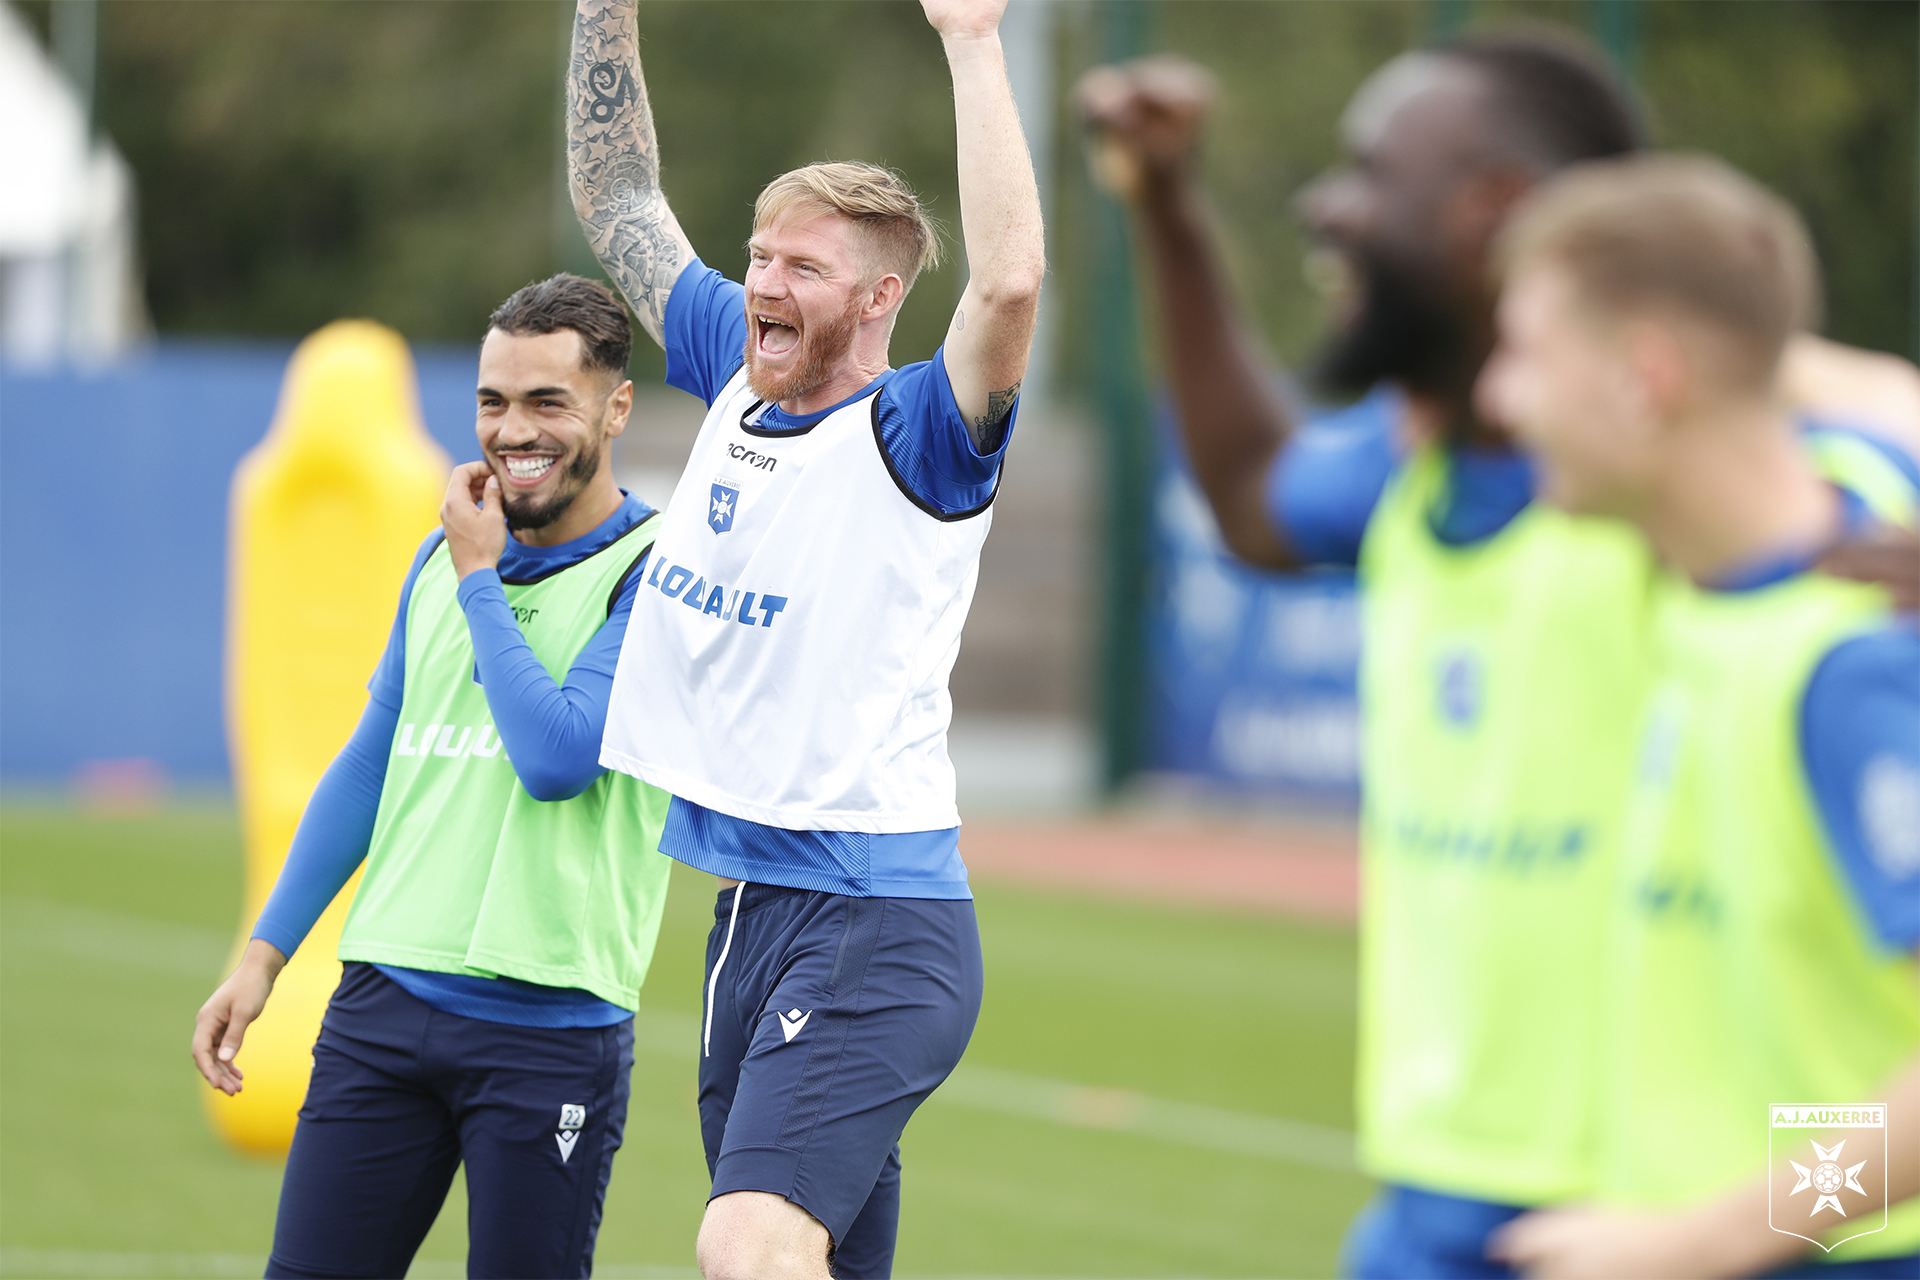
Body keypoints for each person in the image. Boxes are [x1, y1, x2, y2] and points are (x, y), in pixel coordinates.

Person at [1077, 32, 1920, 1279]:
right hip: (1535, 1203)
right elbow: (1262, 495)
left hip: (1753, 1228)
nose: (1511, 405)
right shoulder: (1469, 491)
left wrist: (1737, 1226)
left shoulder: (1816, 607)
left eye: (1535, 356)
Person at [565, 1, 1043, 1276]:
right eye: (758, 255)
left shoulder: (918, 433)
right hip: (753, 903)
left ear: (882, 296)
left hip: (876, 913)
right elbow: (616, 192)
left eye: (804, 266)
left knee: (747, 1246)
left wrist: (973, 38)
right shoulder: (732, 359)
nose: (763, 282)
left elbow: (1008, 284)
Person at [1478, 153, 1918, 1280]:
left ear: (1645, 379)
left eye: (1526, 353)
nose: (1498, 398)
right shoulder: (1689, 597)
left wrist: (1708, 1239)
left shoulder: (1848, 659)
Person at [191, 274, 674, 1280]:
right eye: (494, 401)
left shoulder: (654, 572)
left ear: (615, 407)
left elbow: (555, 758)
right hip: (381, 1003)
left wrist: (478, 579)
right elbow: (370, 761)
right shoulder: (440, 559)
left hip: (550, 1027)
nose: (513, 430)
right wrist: (265, 953)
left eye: (548, 401)